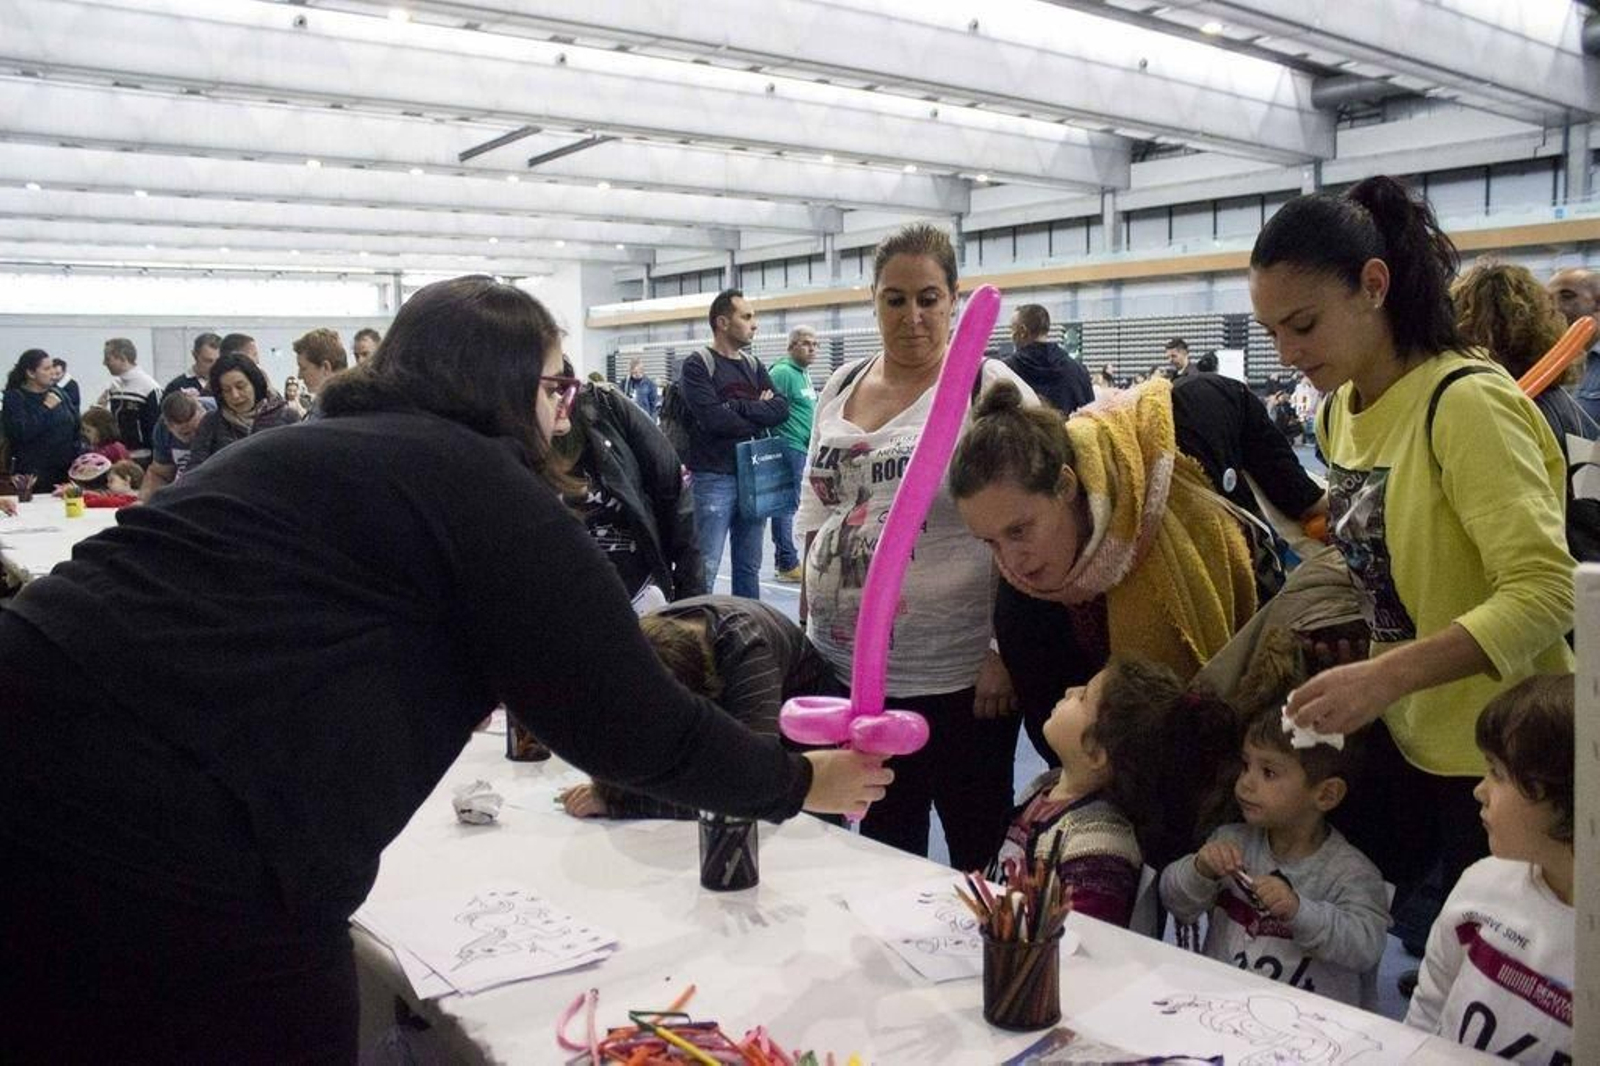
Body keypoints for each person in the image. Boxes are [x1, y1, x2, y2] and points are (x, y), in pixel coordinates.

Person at [0, 275, 891, 1062]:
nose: (565, 410)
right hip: (178, 840)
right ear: (506, 386)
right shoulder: (484, 485)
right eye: (555, 384)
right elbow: (632, 722)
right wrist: (800, 779)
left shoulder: (287, 451)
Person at [1256, 177, 1574, 931]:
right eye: (1272, 333)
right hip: (1405, 735)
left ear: (1374, 286)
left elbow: (1545, 589)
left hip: (1501, 755)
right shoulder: (1339, 415)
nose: (1289, 351)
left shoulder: (1463, 402)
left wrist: (1385, 673)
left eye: (1303, 324)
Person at [796, 223, 1034, 871]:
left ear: (954, 299)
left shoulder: (991, 391)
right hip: (849, 674)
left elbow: (1033, 528)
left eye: (929, 297)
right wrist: (810, 609)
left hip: (959, 675)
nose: (913, 315)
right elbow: (818, 502)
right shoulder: (843, 383)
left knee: (975, 842)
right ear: (873, 301)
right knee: (880, 847)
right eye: (895, 299)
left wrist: (1000, 649)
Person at [950, 379, 1256, 767]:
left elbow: (1231, 399)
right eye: (990, 542)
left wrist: (1303, 500)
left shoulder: (1172, 462)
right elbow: (1063, 751)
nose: (1011, 561)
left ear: (1065, 485)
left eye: (1019, 530)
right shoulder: (1021, 610)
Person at [1161, 707, 1389, 1008]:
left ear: (1326, 795)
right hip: (1221, 1010)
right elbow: (1175, 901)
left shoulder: (1352, 873)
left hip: (1310, 1034)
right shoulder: (1231, 840)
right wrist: (1200, 869)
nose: (1246, 783)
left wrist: (1298, 911)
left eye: (1268, 772)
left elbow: (1366, 947)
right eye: (1246, 765)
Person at [1405, 675, 1574, 1063]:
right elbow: (1429, 1008)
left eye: (1497, 774)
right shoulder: (1482, 882)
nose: (1479, 790)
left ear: (1567, 796)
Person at [995, 660, 1237, 928]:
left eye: (1083, 696)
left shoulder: (1100, 844)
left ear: (1097, 752)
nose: (1069, 691)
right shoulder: (1046, 788)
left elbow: (1086, 943)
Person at [559, 594, 839, 819]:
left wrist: (623, 804)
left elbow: (751, 790)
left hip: (803, 723)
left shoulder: (747, 652)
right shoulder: (640, 649)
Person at [549, 360, 705, 610]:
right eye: (548, 389)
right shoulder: (502, 448)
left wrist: (692, 607)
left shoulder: (606, 407)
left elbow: (674, 495)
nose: (560, 399)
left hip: (640, 595)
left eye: (565, 386)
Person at [680, 288, 788, 599]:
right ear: (723, 322)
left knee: (749, 567)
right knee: (706, 566)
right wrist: (758, 411)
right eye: (747, 316)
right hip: (714, 478)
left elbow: (780, 410)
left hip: (754, 478)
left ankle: (748, 629)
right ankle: (697, 633)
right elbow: (713, 419)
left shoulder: (753, 365)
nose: (754, 324)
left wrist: (738, 408)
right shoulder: (698, 365)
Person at [1456, 261, 1598, 446]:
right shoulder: (1557, 400)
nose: (1557, 305)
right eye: (1550, 298)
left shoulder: (1490, 406)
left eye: (1566, 296)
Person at [186, 352, 301, 471]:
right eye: (226, 390)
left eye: (240, 387)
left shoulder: (287, 417)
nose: (235, 395)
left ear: (254, 383)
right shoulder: (211, 422)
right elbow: (195, 470)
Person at [767, 325, 819, 583]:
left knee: (792, 504)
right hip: (789, 446)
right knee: (785, 505)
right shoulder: (783, 373)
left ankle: (785, 560)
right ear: (791, 346)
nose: (812, 348)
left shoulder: (804, 374)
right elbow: (767, 409)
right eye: (806, 343)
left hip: (803, 447)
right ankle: (786, 562)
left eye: (815, 344)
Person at [3, 349, 79, 487]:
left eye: (53, 367)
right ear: (31, 373)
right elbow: (21, 433)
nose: (53, 372)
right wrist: (45, 408)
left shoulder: (60, 393)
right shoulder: (15, 398)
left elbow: (76, 426)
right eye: (47, 368)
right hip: (33, 474)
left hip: (65, 472)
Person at [1003, 304, 1094, 415]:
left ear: (1022, 331)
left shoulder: (1005, 371)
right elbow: (1090, 416)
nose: (1011, 335)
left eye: (1012, 329)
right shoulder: (1077, 370)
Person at [1545, 266, 1600, 422]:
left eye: (1567, 296)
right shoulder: (1548, 361)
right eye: (1548, 299)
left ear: (1598, 302)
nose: (1554, 306)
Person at [97, 337, 161, 462]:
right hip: (119, 455)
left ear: (122, 358)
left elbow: (157, 428)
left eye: (108, 358)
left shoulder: (149, 387)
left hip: (142, 457)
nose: (104, 363)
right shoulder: (115, 386)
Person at [141, 390, 213, 499]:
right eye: (186, 433)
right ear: (169, 427)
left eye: (199, 429)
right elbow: (161, 474)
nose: (195, 437)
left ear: (202, 411)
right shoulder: (162, 430)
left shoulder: (219, 413)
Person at [293, 326, 350, 416]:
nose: (299, 376)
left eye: (303, 368)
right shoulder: (323, 404)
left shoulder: (342, 410)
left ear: (325, 367)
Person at [164, 332, 221, 397]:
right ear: (194, 355)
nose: (214, 366)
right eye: (208, 361)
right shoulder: (176, 387)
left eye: (218, 361)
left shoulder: (226, 385)